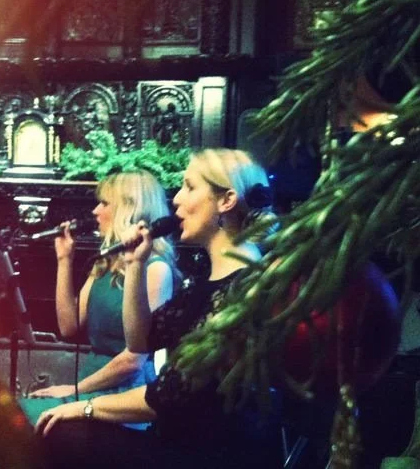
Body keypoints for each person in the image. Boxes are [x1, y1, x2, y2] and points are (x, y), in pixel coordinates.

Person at [34, 149, 280, 469]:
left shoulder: (244, 287)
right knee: (60, 429)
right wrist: (135, 265)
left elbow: (167, 397)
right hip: (178, 441)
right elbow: (141, 340)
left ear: (226, 201)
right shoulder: (206, 282)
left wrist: (84, 406)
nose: (176, 199)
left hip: (208, 456)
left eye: (189, 187)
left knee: (64, 432)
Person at [19, 170, 177, 430]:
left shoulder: (156, 269)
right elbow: (68, 326)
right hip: (87, 386)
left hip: (123, 398)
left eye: (104, 203)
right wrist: (64, 260)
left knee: (23, 422)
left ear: (129, 208)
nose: (95, 211)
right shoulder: (104, 265)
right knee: (12, 416)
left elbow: (133, 360)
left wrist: (72, 390)